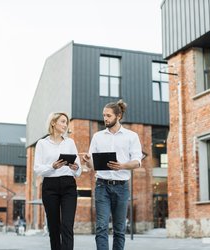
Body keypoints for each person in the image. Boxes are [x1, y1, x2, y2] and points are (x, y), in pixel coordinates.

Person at [83, 100, 142, 250]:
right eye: (104, 115)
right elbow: (92, 166)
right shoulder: (98, 136)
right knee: (101, 226)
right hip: (102, 185)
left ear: (119, 116)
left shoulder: (131, 136)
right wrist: (88, 161)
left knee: (119, 229)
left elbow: (137, 162)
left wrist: (122, 165)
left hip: (122, 187)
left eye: (108, 115)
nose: (105, 118)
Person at [34, 112, 82, 250]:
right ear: (53, 123)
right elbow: (37, 168)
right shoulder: (42, 143)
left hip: (68, 185)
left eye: (66, 122)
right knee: (54, 227)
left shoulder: (70, 142)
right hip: (50, 186)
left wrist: (75, 167)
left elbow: (78, 171)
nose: (65, 125)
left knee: (67, 225)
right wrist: (52, 166)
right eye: (62, 121)